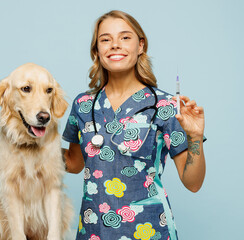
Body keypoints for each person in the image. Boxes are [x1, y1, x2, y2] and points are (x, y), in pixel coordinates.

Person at [62, 10, 206, 240]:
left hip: (148, 230)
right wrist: (29, 148)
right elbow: (73, 163)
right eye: (105, 39)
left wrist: (195, 137)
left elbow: (193, 183)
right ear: (96, 51)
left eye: (125, 37)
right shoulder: (83, 104)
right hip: (93, 231)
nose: (115, 45)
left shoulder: (164, 105)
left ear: (141, 46)